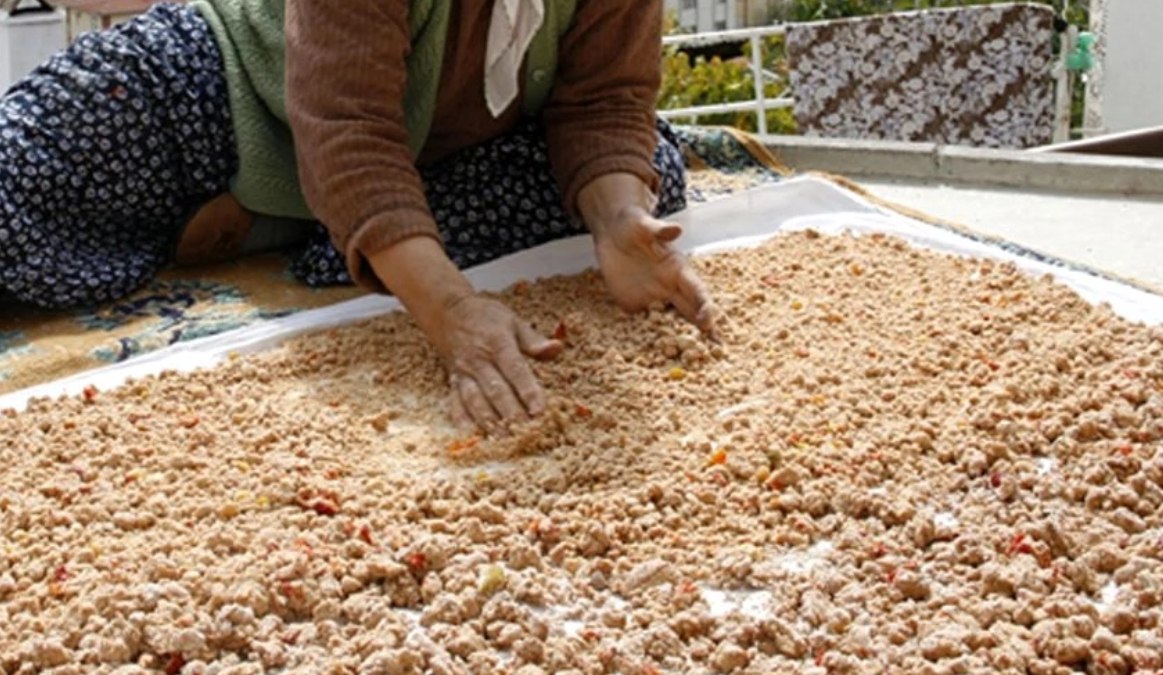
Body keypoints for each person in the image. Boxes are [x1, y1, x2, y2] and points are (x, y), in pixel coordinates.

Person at [0, 0, 714, 430]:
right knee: (20, 179)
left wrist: (618, 218)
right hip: (228, 91)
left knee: (657, 169)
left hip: (428, 154)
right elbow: (349, 126)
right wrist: (452, 308)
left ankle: (330, 227)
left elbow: (605, 100)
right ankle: (345, 225)